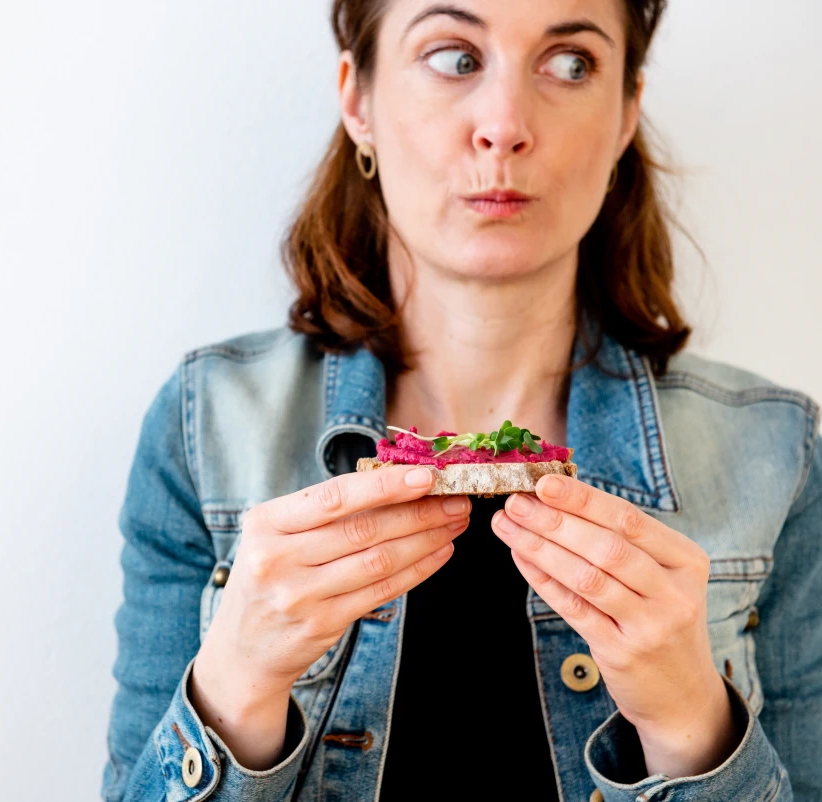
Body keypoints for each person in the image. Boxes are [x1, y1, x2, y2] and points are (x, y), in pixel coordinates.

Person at [101, 1, 822, 799]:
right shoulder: (204, 429)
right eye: (453, 56)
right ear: (358, 99)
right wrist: (233, 694)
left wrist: (691, 727)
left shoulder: (777, 451)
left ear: (626, 116)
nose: (505, 125)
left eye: (571, 63)